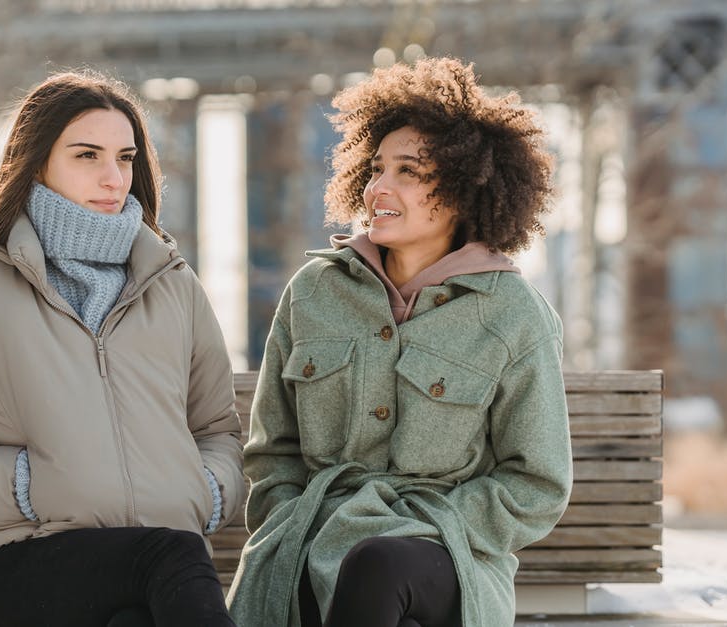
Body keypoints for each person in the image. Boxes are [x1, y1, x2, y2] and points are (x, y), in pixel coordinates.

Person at [0, 70, 243, 627]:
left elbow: (216, 429)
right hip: (28, 563)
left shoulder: (173, 285)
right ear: (37, 161)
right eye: (87, 155)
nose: (113, 177)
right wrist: (27, 486)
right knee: (173, 554)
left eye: (125, 158)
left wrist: (206, 493)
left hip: (157, 571)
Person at [226, 57, 573, 627]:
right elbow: (275, 451)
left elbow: (536, 482)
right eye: (376, 168)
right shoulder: (313, 292)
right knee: (336, 580)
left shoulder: (513, 314)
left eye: (407, 171)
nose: (378, 188)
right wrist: (292, 520)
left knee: (380, 565)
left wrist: (437, 525)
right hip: (313, 540)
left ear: (465, 190)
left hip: (447, 557)